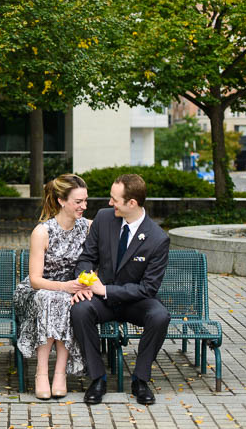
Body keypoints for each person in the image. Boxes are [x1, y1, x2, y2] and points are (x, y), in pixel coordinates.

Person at [70, 173, 170, 406]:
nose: (109, 203)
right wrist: (85, 282)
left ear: (132, 203)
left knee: (160, 316)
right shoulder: (104, 219)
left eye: (115, 199)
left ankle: (141, 380)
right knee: (79, 310)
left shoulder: (158, 238)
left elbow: (149, 288)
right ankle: (97, 378)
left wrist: (105, 290)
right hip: (101, 299)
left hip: (135, 301)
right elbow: (86, 258)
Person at [13, 174, 92, 400]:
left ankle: (59, 373)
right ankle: (41, 372)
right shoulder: (42, 232)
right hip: (37, 291)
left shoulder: (88, 228)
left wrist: (83, 285)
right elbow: (36, 279)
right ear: (61, 200)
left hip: (71, 290)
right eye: (78, 202)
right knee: (50, 298)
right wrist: (64, 286)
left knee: (68, 301)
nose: (84, 206)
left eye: (85, 201)